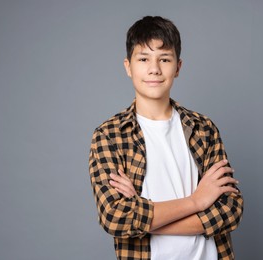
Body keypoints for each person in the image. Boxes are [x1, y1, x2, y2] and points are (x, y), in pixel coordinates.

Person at [88, 16, 243, 260]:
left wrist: (142, 215)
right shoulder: (109, 136)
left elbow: (230, 210)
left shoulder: (204, 129)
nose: (154, 69)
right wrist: (197, 201)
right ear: (128, 66)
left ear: (178, 67)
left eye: (164, 59)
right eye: (143, 59)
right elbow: (115, 217)